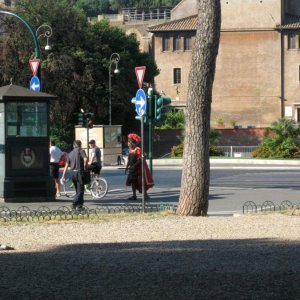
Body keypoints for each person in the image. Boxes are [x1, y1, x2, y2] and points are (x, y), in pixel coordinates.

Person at [125, 133, 154, 200]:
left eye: (129, 142)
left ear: (133, 143)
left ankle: (145, 195)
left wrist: (134, 166)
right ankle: (134, 195)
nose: (128, 143)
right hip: (132, 170)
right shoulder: (130, 150)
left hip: (138, 170)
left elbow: (140, 159)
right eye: (128, 142)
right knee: (133, 182)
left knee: (140, 182)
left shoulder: (137, 149)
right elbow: (129, 160)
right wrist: (127, 167)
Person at [61, 140, 88, 210]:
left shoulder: (70, 153)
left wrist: (63, 176)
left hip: (72, 173)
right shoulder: (81, 151)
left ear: (73, 145)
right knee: (81, 190)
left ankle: (79, 206)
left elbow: (66, 165)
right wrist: (85, 167)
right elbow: (85, 159)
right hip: (79, 173)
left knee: (78, 190)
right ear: (80, 145)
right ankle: (74, 203)